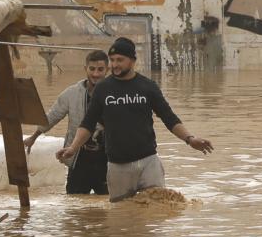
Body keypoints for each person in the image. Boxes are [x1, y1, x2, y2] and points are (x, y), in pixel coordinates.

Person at [57, 37, 213, 201]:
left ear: (132, 60)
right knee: (121, 217)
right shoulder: (103, 89)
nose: (115, 64)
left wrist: (190, 139)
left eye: (120, 60)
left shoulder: (148, 87)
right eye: (112, 60)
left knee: (158, 209)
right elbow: (88, 124)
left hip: (148, 161)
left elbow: (169, 118)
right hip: (117, 166)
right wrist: (73, 148)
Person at [24, 50, 110, 195]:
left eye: (100, 69)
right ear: (85, 69)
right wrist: (34, 137)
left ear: (107, 70)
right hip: (78, 157)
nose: (95, 74)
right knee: (74, 205)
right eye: (92, 69)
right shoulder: (72, 93)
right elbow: (52, 117)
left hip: (107, 158)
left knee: (110, 206)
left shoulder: (115, 94)